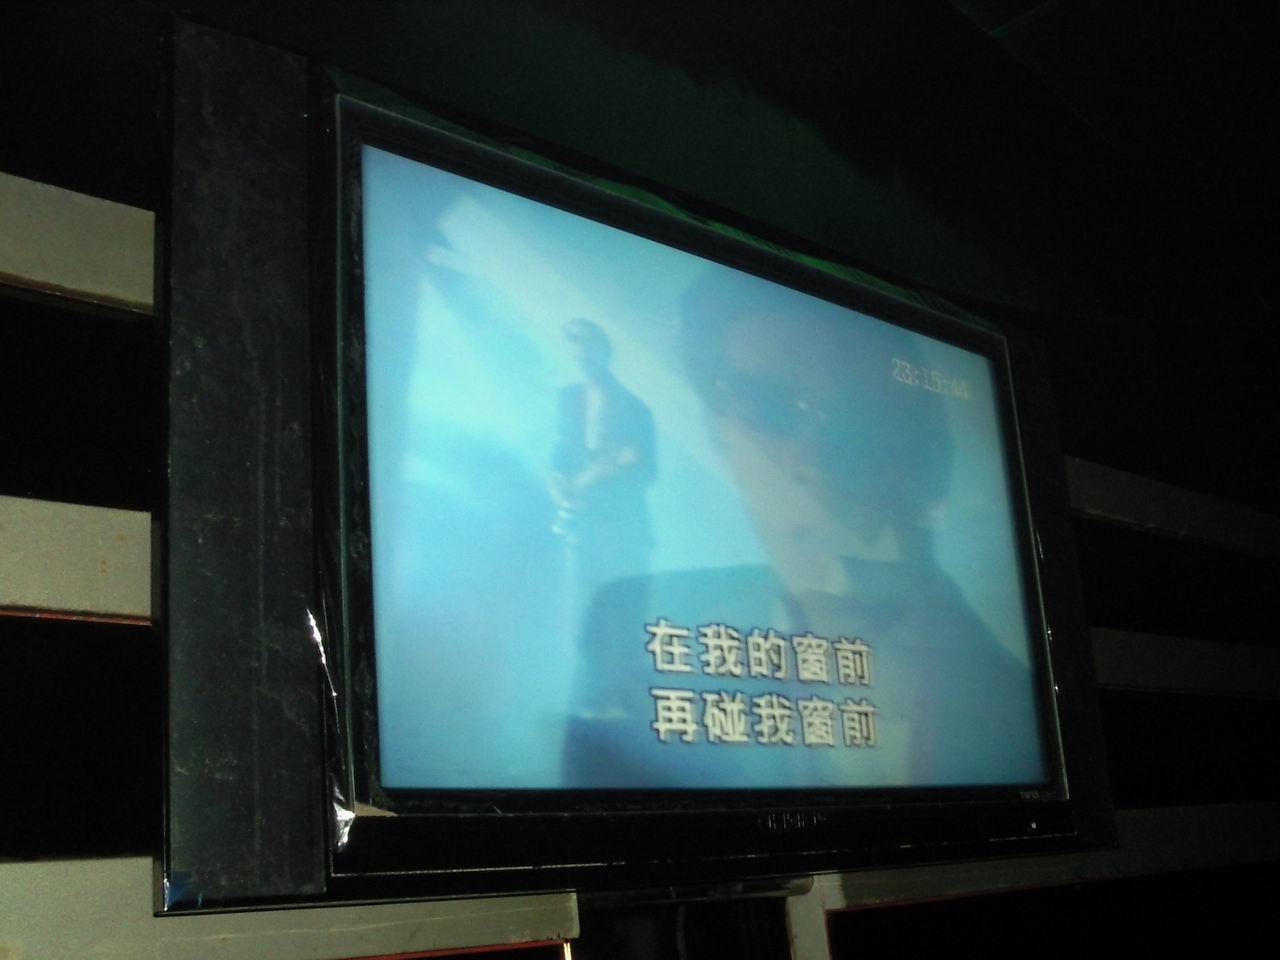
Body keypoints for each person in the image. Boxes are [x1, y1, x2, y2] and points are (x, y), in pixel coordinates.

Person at [561, 270, 1045, 790]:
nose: (811, 460)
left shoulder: (1017, 710)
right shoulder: (624, 627)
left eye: (855, 423)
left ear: (918, 460)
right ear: (718, 431)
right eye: (766, 406)